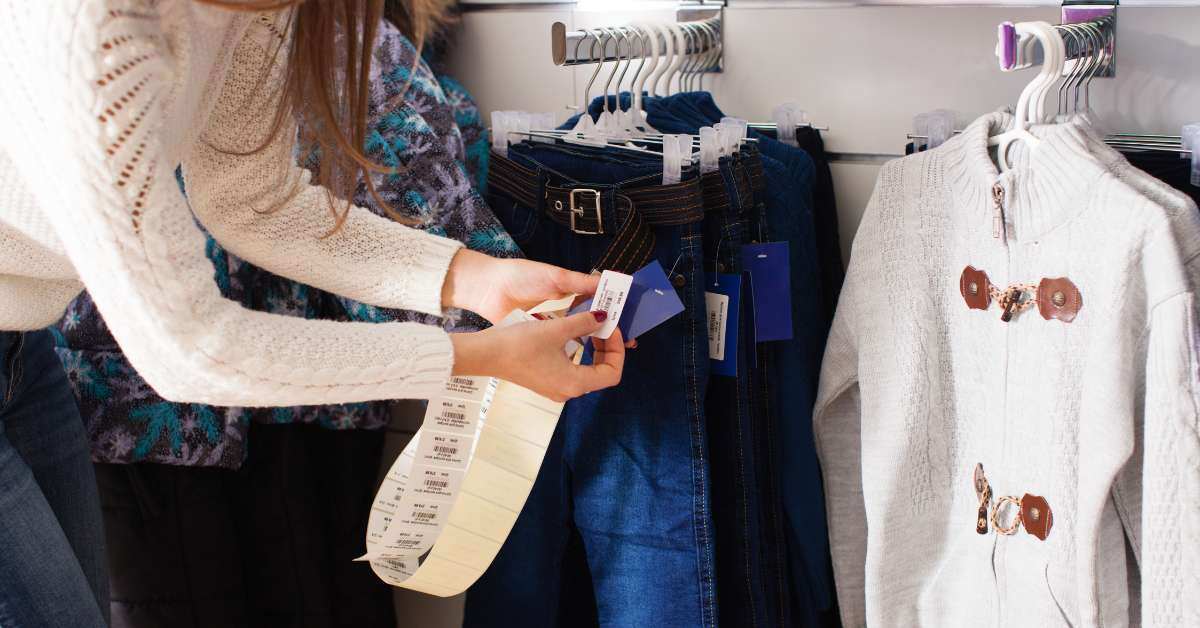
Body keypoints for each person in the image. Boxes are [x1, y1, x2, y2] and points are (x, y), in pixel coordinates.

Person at [0, 2, 626, 627]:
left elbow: (254, 201)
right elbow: (190, 349)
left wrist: (473, 276)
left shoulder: (261, 10)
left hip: (24, 351)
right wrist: (474, 358)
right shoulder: (95, 28)